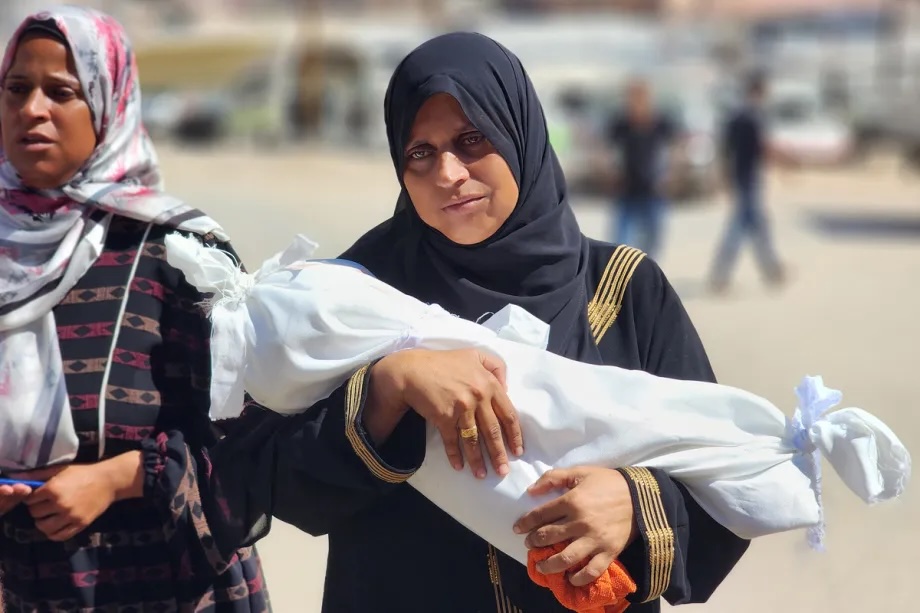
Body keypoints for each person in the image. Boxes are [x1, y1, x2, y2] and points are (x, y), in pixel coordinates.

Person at [210, 33, 749, 612]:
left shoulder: (622, 289)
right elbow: (256, 472)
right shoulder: (355, 291)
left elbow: (727, 474)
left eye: (472, 140)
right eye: (420, 152)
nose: (448, 173)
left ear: (519, 132)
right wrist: (388, 387)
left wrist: (634, 502)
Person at [0, 7, 270, 611]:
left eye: (61, 92)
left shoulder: (178, 253)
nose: (32, 110)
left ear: (108, 102)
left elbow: (250, 439)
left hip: (156, 584)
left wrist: (118, 478)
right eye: (17, 89)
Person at [709, 72, 787, 293]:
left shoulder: (735, 116)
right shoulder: (753, 116)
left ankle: (771, 268)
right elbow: (764, 147)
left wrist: (725, 176)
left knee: (757, 225)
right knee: (742, 227)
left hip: (739, 176)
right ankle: (722, 275)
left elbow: (725, 148)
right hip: (749, 178)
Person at [608, 78, 677, 260]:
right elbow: (608, 151)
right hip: (627, 191)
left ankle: (644, 280)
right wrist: (612, 173)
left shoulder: (660, 123)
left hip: (653, 191)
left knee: (652, 242)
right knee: (621, 244)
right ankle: (624, 281)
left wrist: (669, 174)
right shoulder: (621, 124)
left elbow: (674, 148)